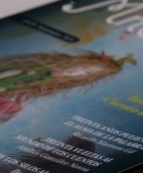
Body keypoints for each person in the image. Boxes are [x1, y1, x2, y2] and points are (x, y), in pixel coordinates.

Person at [0, 51, 134, 122]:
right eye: (83, 67)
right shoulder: (41, 65)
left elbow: (26, 94)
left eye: (86, 73)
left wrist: (17, 107)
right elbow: (11, 70)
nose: (78, 71)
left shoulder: (50, 83)